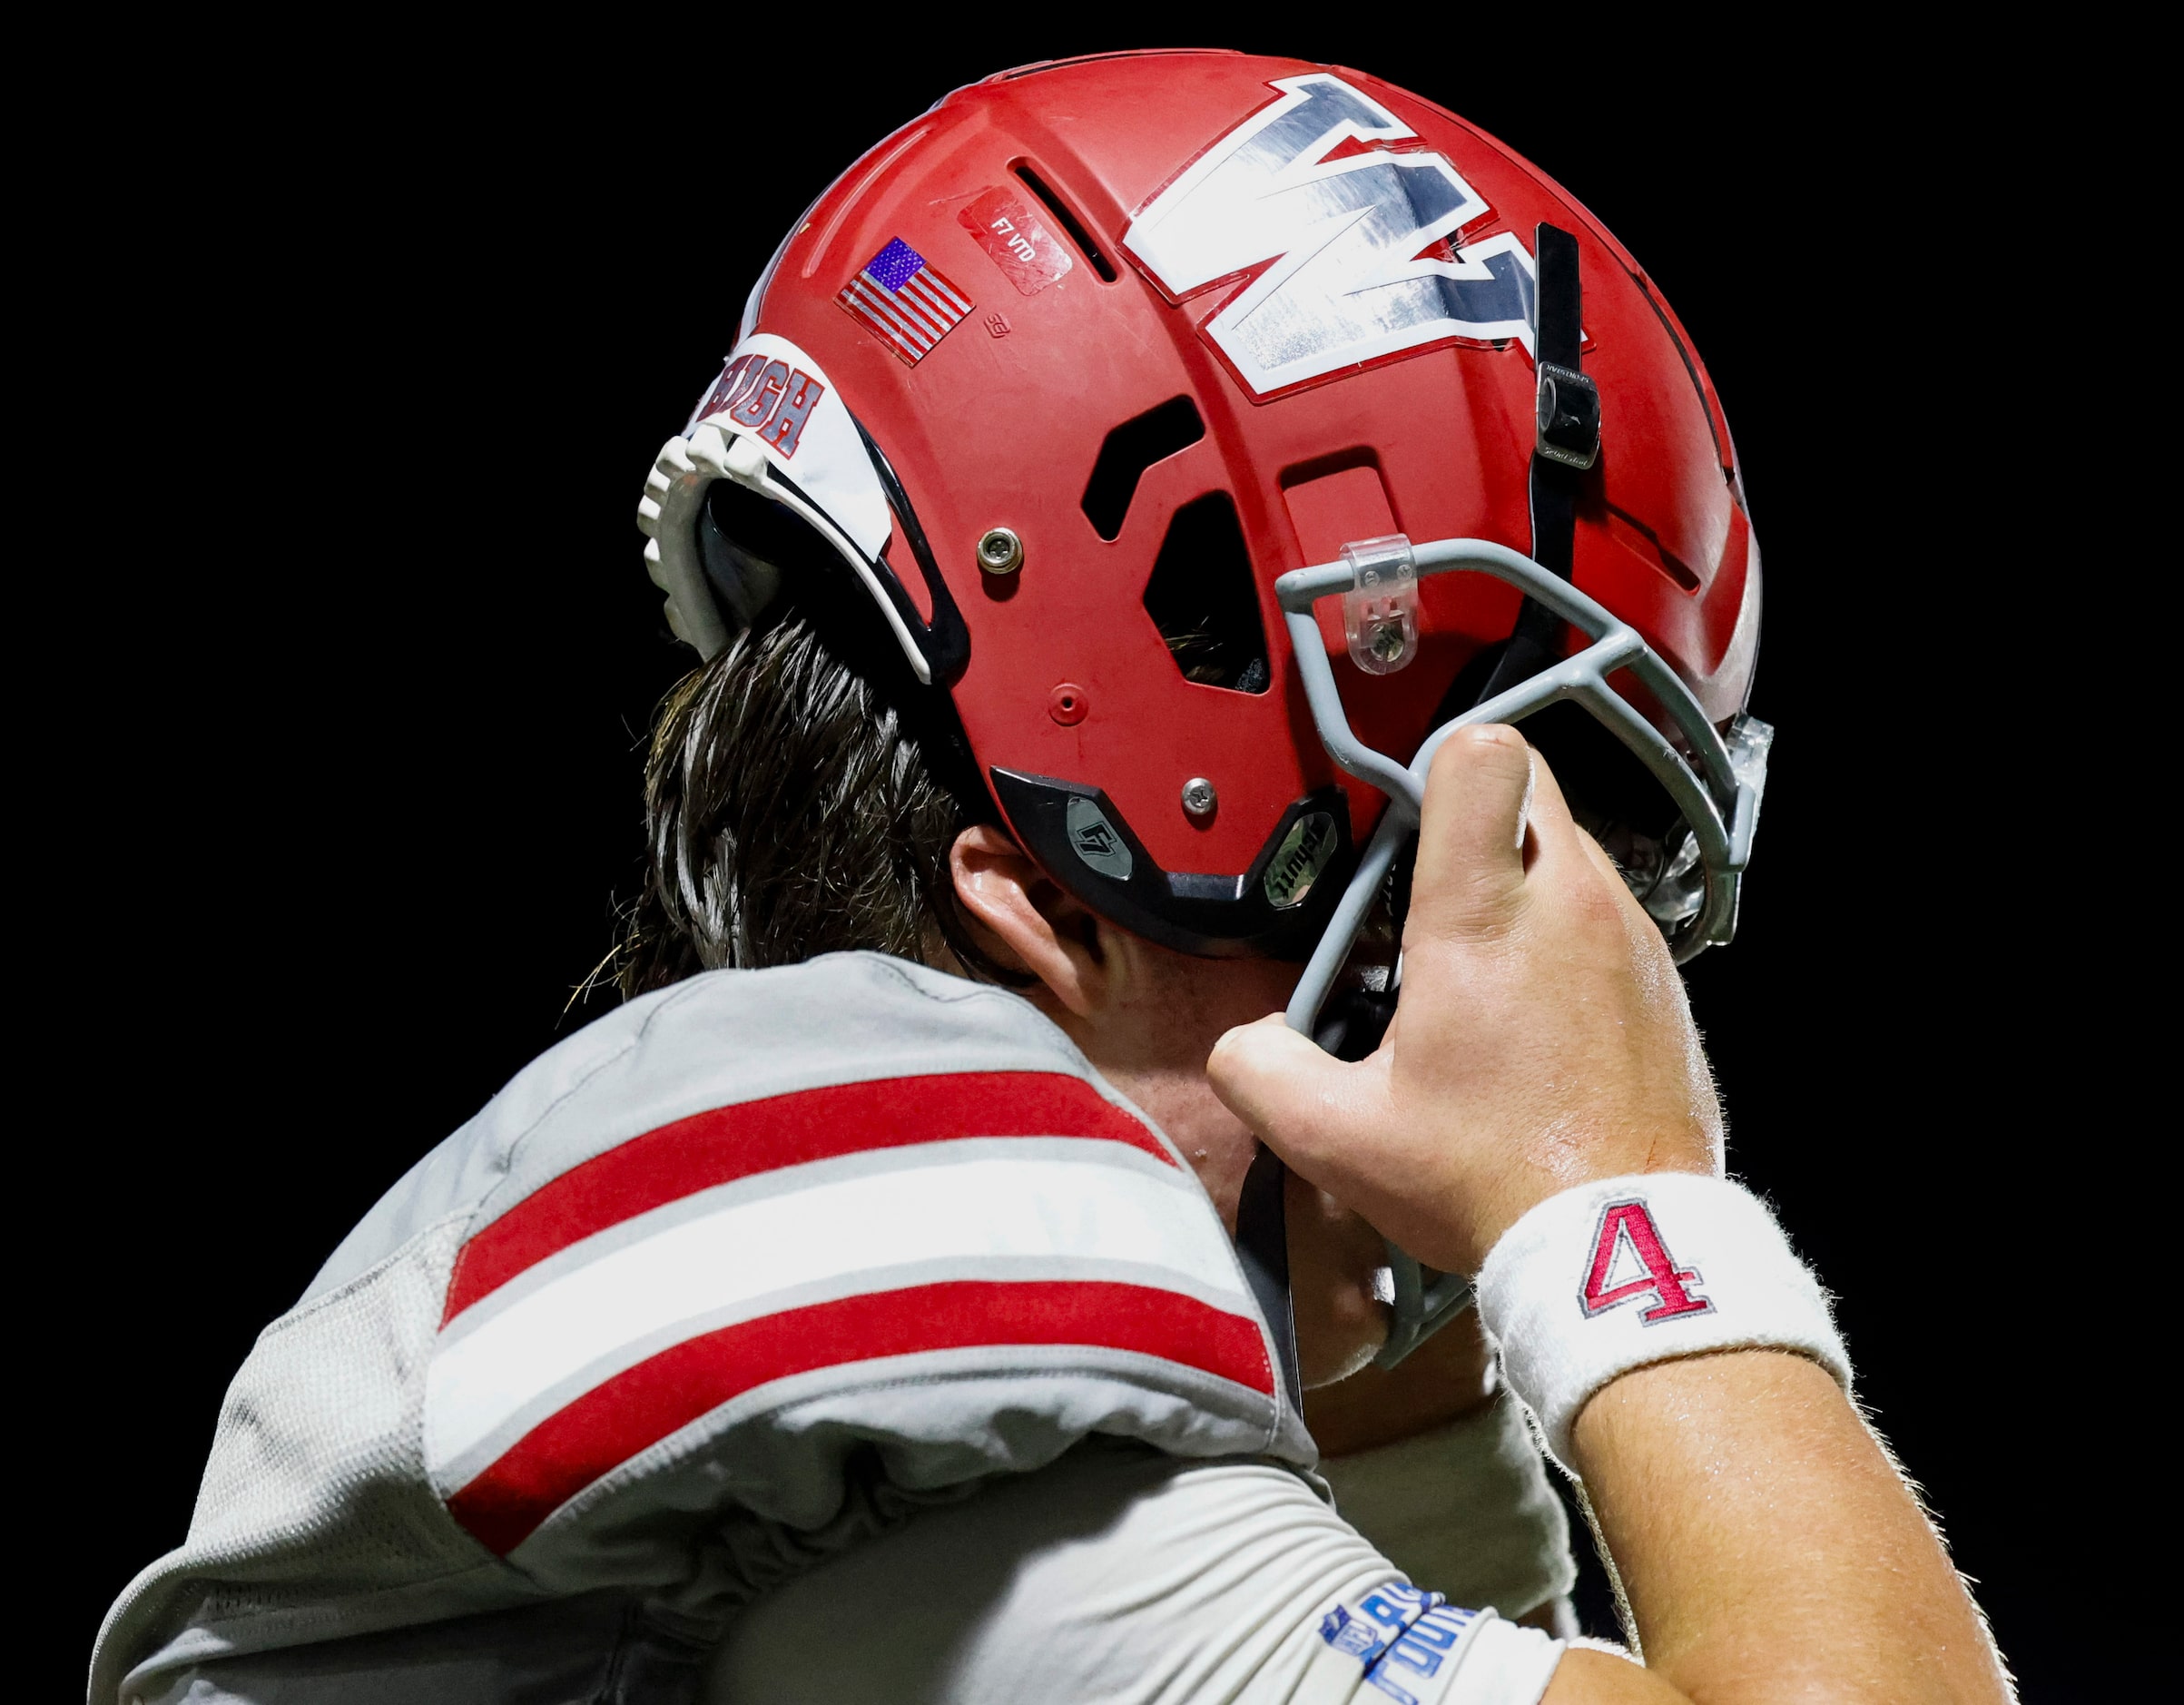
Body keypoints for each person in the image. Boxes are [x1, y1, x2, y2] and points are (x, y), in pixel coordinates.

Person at [92, 51, 2010, 1705]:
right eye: (1411, 911)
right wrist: (1620, 1208)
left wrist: (1394, 1369)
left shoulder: (881, 1327)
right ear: (1056, 898)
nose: (1508, 1014)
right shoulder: (897, 1220)